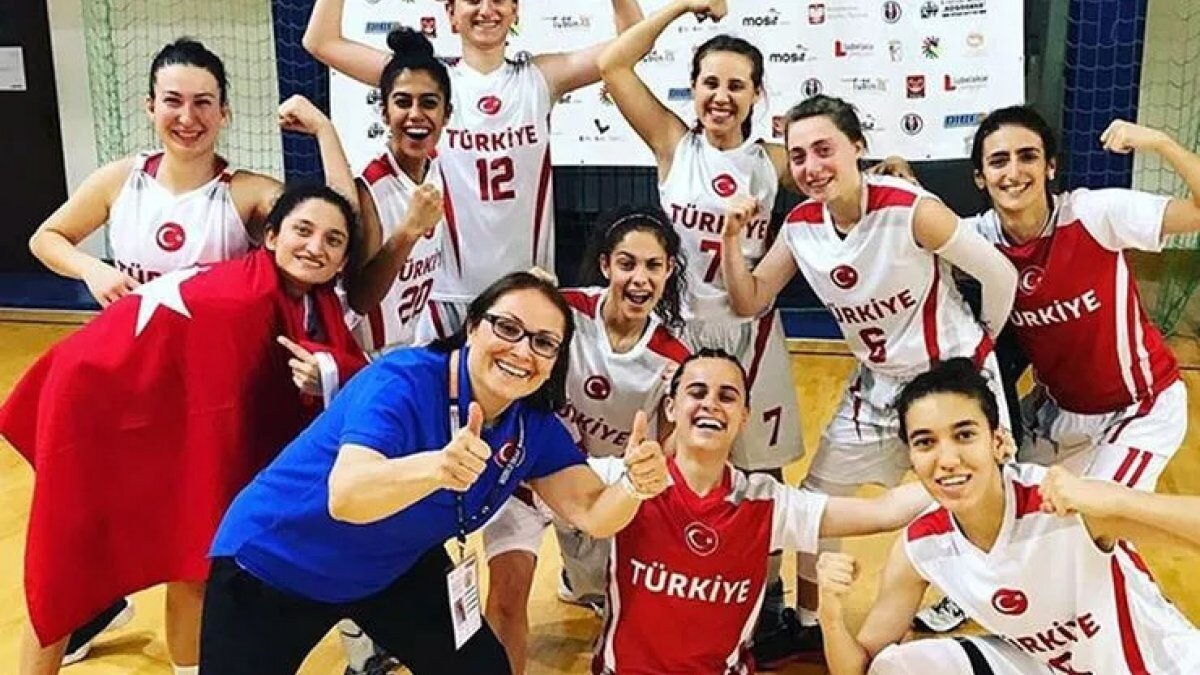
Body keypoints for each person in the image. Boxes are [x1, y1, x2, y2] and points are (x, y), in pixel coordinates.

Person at [22, 37, 356, 674]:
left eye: (204, 102)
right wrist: (92, 269)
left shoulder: (247, 194)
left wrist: (324, 131)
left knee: (190, 555)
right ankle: (94, 609)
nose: (188, 116)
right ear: (150, 106)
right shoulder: (121, 180)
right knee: (75, 536)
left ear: (224, 112)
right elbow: (47, 237)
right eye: (173, 100)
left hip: (203, 403)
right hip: (121, 386)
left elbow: (337, 221)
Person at [199, 272, 672, 675]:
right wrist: (436, 467)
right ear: (472, 327)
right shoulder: (402, 381)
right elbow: (346, 496)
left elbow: (593, 512)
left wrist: (633, 485)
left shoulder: (530, 426)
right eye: (507, 328)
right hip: (277, 563)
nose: (522, 351)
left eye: (544, 342)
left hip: (393, 566)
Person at [719, 93, 1019, 659]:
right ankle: (810, 622)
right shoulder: (801, 226)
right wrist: (731, 241)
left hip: (948, 381)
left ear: (857, 147)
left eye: (824, 149)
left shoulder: (911, 209)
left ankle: (1012, 616)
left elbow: (999, 273)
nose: (811, 167)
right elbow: (749, 299)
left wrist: (983, 344)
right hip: (878, 385)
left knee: (984, 501)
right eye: (798, 156)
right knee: (817, 500)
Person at [597, 1, 808, 653]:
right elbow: (614, 63)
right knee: (668, 468)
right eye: (709, 82)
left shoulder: (774, 161)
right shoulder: (673, 143)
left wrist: (895, 172)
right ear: (693, 87)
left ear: (756, 94)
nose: (721, 95)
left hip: (751, 335)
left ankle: (767, 602)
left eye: (735, 84)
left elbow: (838, 170)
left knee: (761, 477)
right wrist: (682, 6)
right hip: (681, 338)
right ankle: (658, 587)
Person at [816, 357, 1200, 674]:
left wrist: (1117, 500)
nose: (947, 460)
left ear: (998, 441)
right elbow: (860, 669)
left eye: (964, 435)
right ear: (912, 457)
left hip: (1164, 665)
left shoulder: (1063, 505)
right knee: (896, 667)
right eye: (926, 442)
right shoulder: (921, 548)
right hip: (1051, 666)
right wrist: (830, 614)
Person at [303, 0, 644, 340]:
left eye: (498, 0)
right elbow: (320, 41)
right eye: (473, 1)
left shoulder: (541, 78)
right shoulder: (430, 83)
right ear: (451, 13)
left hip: (524, 291)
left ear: (515, 10)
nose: (486, 10)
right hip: (445, 297)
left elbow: (633, 42)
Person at [590, 348, 933, 674]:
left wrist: (955, 476)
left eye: (727, 397)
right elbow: (558, 481)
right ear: (670, 408)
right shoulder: (625, 480)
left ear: (744, 417)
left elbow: (884, 511)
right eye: (697, 392)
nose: (711, 404)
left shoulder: (767, 503)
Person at [482, 206, 690, 671]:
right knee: (506, 601)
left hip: (597, 493)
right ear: (605, 265)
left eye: (653, 265)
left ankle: (581, 583)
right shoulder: (564, 311)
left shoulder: (674, 358)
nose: (639, 278)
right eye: (627, 263)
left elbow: (667, 454)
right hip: (526, 474)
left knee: (599, 593)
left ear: (669, 270)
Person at [966, 106, 1200, 491]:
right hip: (1058, 413)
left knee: (1099, 516)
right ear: (980, 177)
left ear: (1050, 167)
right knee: (1005, 500)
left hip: (1137, 408)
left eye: (1028, 156)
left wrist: (1160, 142)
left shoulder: (1093, 214)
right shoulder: (975, 240)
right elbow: (904, 234)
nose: (1014, 172)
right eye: (998, 161)